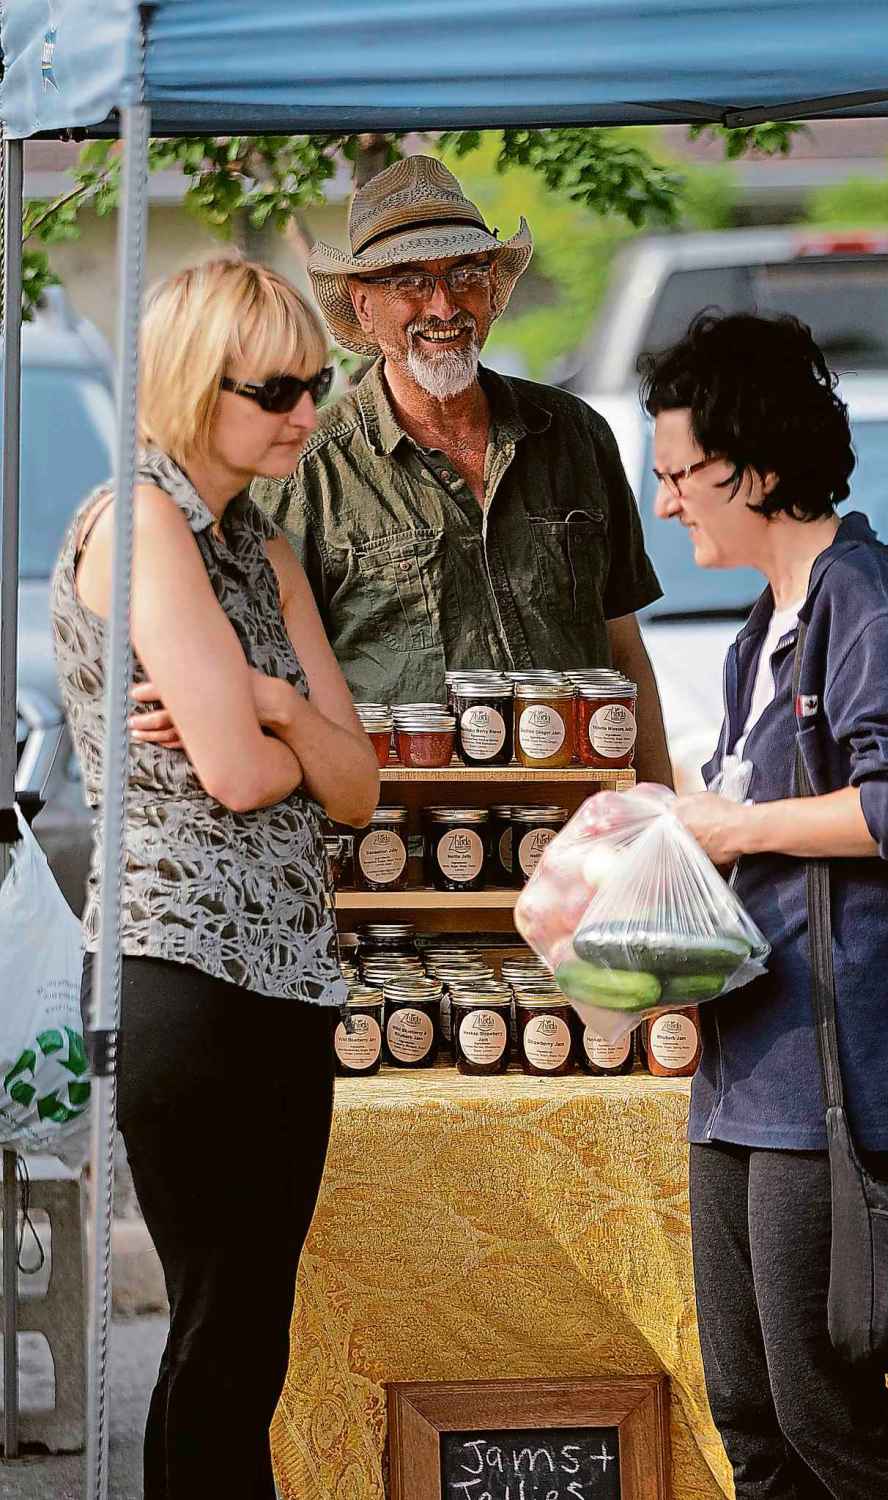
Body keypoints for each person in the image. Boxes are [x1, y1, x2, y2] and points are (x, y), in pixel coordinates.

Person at [644, 312, 888, 1498]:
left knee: (819, 1404)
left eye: (680, 475)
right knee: (751, 1410)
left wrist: (736, 827)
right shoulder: (763, 628)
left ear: (754, 469)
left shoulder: (864, 598)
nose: (666, 505)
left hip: (832, 1071)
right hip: (744, 1059)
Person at [50, 258, 380, 1499]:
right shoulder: (140, 522)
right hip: (180, 966)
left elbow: (359, 787)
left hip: (286, 973)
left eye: (317, 383)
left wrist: (268, 702)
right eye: (277, 390)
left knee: (251, 1333)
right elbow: (242, 781)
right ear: (198, 383)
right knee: (218, 1329)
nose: (307, 413)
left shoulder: (260, 544)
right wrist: (280, 732)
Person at [253, 154, 673, 785]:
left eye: (465, 273)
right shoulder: (307, 469)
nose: (444, 305)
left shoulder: (575, 435)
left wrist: (659, 803)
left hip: (584, 817)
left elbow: (623, 648)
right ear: (363, 305)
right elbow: (274, 679)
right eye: (410, 282)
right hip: (397, 826)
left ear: (493, 290)